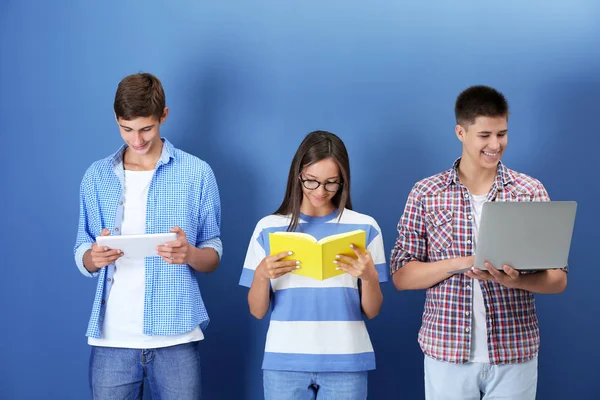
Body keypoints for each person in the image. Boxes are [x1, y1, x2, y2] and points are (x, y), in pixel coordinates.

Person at [390, 85, 567, 400]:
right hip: (446, 352)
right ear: (461, 132)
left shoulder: (529, 191)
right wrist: (464, 262)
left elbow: (557, 280)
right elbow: (402, 276)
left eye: (502, 134)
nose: (495, 145)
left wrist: (516, 281)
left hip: (516, 353)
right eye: (484, 135)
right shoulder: (426, 193)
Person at [73, 72, 222, 399]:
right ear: (116, 119)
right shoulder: (96, 177)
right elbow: (82, 247)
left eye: (146, 129)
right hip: (112, 338)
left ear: (163, 116)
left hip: (176, 337)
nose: (136, 140)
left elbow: (213, 251)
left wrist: (190, 254)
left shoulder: (197, 173)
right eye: (126, 129)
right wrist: (93, 257)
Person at [240, 130, 388, 400]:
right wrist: (261, 276)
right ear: (298, 175)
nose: (321, 191)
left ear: (343, 181)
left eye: (331, 183)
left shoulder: (366, 227)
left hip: (347, 360)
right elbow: (257, 311)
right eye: (312, 182)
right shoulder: (269, 228)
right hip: (283, 361)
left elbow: (373, 310)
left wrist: (369, 278)